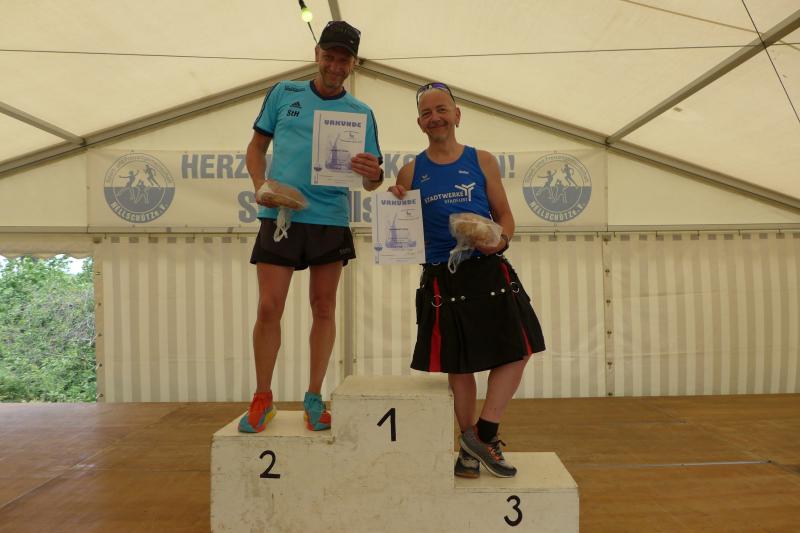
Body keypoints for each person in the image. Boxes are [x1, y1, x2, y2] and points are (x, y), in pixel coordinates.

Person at [389, 82, 545, 478]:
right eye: (427, 113)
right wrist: (394, 204)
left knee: (520, 350)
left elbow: (504, 215)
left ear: (457, 115)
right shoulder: (410, 171)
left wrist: (500, 240)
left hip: (487, 267)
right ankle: (469, 452)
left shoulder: (483, 160)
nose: (435, 118)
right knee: (460, 366)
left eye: (442, 109)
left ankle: (483, 435)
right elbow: (401, 229)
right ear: (420, 123)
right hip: (444, 277)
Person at [240, 20, 384, 433]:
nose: (335, 66)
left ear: (354, 64)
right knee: (269, 307)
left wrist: (373, 173)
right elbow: (256, 147)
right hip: (280, 217)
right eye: (329, 57)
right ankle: (263, 397)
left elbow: (372, 181)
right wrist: (260, 185)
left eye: (344, 60)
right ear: (317, 54)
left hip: (329, 219)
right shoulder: (283, 93)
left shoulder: (361, 113)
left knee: (323, 308)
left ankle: (314, 396)